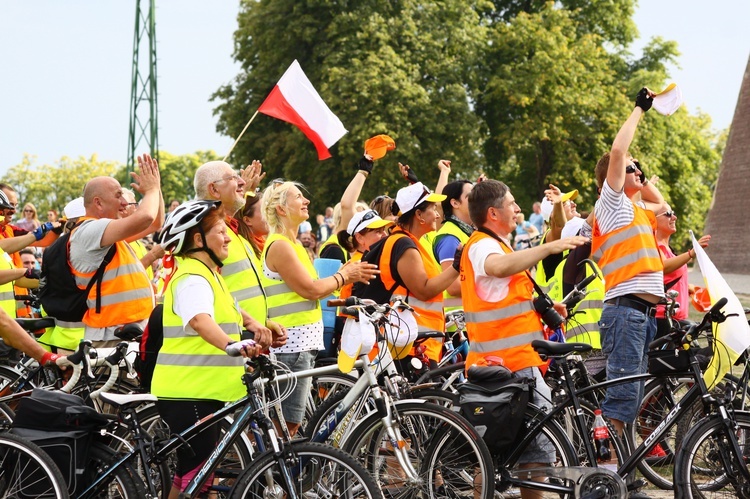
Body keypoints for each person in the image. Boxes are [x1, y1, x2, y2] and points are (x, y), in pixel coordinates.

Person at [459, 179, 586, 499]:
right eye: (512, 204)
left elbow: (496, 296)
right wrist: (548, 246)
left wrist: (537, 306)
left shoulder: (491, 242)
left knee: (491, 458)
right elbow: (497, 268)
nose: (518, 209)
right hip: (513, 367)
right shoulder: (485, 247)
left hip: (501, 364)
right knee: (536, 458)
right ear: (493, 213)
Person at [152, 200, 263, 498]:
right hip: (189, 392)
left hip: (202, 391)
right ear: (198, 239)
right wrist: (232, 345)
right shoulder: (192, 278)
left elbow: (230, 314)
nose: (228, 237)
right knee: (196, 480)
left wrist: (259, 329)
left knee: (194, 476)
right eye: (220, 231)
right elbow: (201, 321)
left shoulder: (210, 274)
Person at [262, 180, 377, 436]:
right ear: (281, 209)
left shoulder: (292, 244)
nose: (307, 201)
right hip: (291, 344)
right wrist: (345, 275)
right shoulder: (280, 245)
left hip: (299, 342)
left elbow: (315, 288)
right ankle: (262, 474)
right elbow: (310, 289)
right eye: (298, 197)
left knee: (289, 424)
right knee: (286, 425)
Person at [591, 88, 666, 453]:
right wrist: (640, 108)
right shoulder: (611, 203)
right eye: (633, 168)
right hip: (626, 312)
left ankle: (618, 472)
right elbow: (618, 152)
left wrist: (642, 176)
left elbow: (662, 202)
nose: (638, 171)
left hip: (641, 314)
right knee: (621, 400)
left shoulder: (637, 211)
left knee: (629, 397)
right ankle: (605, 476)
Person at [353, 182, 457, 369]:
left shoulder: (409, 242)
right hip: (407, 348)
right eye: (433, 209)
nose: (437, 214)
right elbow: (424, 290)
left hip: (411, 344)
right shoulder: (403, 244)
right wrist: (457, 266)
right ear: (418, 215)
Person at [68, 154, 164, 346]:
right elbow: (145, 217)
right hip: (109, 336)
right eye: (118, 195)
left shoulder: (107, 232)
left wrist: (156, 188)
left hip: (123, 333)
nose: (124, 203)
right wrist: (151, 190)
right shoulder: (89, 229)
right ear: (98, 203)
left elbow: (155, 222)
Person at [193, 160, 276, 345]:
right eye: (233, 177)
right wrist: (251, 323)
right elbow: (213, 294)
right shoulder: (208, 233)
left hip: (247, 336)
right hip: (230, 340)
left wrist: (263, 323)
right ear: (214, 190)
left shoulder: (231, 230)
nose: (242, 182)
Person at [654, 203, 711, 337]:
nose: (674, 217)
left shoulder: (670, 251)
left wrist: (694, 290)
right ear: (652, 219)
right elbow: (663, 267)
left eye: (673, 212)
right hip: (662, 320)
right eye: (668, 214)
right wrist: (691, 253)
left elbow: (671, 280)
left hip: (675, 319)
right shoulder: (655, 247)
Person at [428, 180, 474, 312]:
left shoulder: (467, 232)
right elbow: (453, 286)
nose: (476, 199)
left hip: (469, 321)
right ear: (455, 203)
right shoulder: (450, 237)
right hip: (457, 325)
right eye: (470, 196)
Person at [319, 156, 374, 262]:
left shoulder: (352, 246)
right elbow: (347, 205)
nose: (364, 222)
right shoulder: (334, 249)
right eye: (358, 215)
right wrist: (363, 171)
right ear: (342, 215)